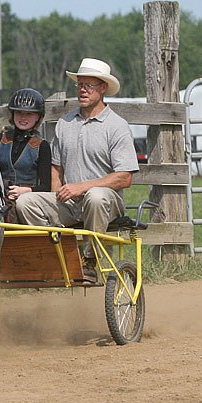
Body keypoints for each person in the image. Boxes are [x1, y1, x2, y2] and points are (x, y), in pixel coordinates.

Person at [15, 58, 139, 282]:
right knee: (26, 202)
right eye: (80, 85)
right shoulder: (65, 123)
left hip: (105, 202)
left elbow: (125, 177)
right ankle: (55, 258)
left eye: (89, 85)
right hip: (71, 202)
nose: (82, 90)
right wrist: (57, 195)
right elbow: (56, 169)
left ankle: (89, 261)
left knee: (95, 195)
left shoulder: (116, 126)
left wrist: (81, 187)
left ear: (103, 89)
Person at [0, 88, 52, 221]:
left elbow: (46, 186)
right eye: (19, 113)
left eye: (29, 114)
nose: (23, 118)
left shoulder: (43, 146)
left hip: (26, 201)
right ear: (12, 114)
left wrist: (23, 191)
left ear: (38, 117)